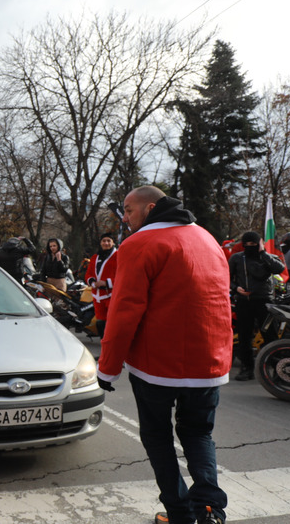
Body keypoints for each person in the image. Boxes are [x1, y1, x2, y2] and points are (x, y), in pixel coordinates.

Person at [97, 186, 232, 524]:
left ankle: (180, 513)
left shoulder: (140, 244)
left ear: (150, 208)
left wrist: (108, 369)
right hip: (208, 363)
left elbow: (124, 312)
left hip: (157, 366)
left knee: (157, 437)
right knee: (199, 433)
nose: (124, 218)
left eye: (128, 211)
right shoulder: (206, 238)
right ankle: (209, 510)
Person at [228, 231, 285, 381]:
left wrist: (263, 252)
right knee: (244, 336)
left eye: (254, 244)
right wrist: (236, 288)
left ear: (259, 243)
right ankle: (247, 368)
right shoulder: (237, 258)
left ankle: (278, 370)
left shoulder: (269, 257)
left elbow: (279, 269)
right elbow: (227, 277)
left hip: (265, 301)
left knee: (270, 336)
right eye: (247, 244)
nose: (250, 247)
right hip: (244, 302)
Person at [84, 233, 117, 337]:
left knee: (112, 324)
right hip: (97, 297)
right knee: (100, 324)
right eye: (104, 241)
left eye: (108, 241)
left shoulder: (119, 255)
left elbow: (124, 276)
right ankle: (104, 349)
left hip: (112, 295)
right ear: (100, 243)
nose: (106, 243)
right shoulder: (95, 257)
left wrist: (107, 283)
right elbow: (88, 274)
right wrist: (92, 282)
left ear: (113, 243)